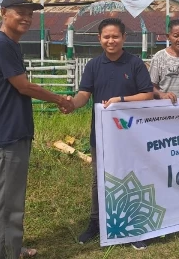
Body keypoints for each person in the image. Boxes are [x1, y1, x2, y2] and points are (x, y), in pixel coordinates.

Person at [0, 0, 74, 259]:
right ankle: (1, 254)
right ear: (3, 13)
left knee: (12, 197)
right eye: (19, 12)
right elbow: (22, 86)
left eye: (30, 13)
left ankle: (11, 247)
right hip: (7, 133)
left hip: (14, 130)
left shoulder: (9, 44)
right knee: (4, 201)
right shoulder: (1, 44)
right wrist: (59, 98)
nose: (26, 17)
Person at [67, 18, 154, 250]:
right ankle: (95, 223)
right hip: (103, 134)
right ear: (99, 39)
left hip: (132, 135)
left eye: (115, 36)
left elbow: (147, 95)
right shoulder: (94, 66)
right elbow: (84, 94)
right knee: (99, 180)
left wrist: (121, 101)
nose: (111, 40)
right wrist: (71, 104)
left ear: (124, 38)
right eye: (106, 37)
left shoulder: (135, 64)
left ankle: (134, 226)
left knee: (132, 177)